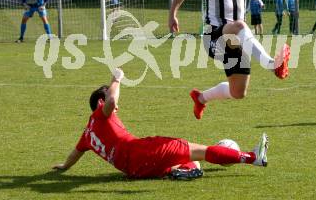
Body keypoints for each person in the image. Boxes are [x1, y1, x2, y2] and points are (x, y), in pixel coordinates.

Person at [52, 69, 269, 180]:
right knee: (199, 151)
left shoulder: (88, 133)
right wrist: (116, 79)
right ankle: (252, 157)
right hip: (142, 152)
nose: (116, 107)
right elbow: (111, 101)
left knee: (192, 162)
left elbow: (74, 154)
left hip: (134, 170)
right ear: (100, 102)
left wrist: (63, 167)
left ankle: (180, 171)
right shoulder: (102, 114)